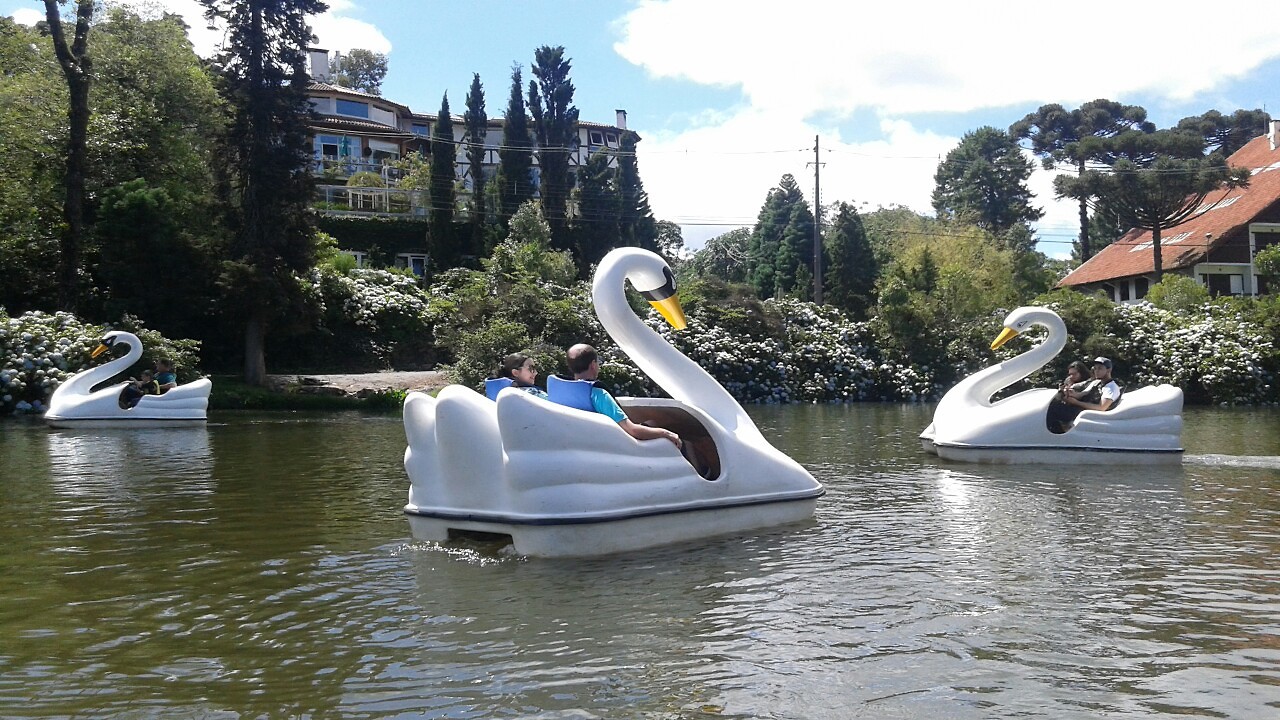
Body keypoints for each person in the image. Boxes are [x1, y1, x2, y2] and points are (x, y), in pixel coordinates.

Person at [562, 343, 682, 449]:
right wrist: (667, 434)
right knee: (658, 427)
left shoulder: (559, 391)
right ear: (593, 365)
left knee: (650, 424)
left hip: (579, 443)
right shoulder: (598, 395)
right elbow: (632, 430)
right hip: (614, 446)